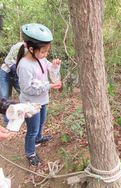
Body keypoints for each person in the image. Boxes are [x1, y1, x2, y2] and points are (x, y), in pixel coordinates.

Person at [16, 23, 62, 166]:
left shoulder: (40, 58)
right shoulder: (24, 65)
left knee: (41, 122)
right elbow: (27, 89)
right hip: (30, 103)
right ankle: (30, 153)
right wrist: (48, 85)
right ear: (31, 48)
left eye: (47, 51)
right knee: (32, 129)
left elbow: (48, 67)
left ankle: (39, 138)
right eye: (43, 51)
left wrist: (54, 65)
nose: (45, 54)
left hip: (42, 99)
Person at [0, 42, 23, 125]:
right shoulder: (19, 46)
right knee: (4, 97)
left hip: (18, 74)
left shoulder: (34, 49)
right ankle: (8, 123)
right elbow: (8, 60)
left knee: (24, 95)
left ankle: (24, 117)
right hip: (5, 73)